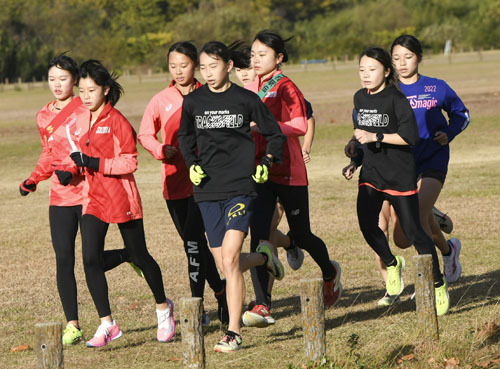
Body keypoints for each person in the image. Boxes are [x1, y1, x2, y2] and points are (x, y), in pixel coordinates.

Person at [178, 40, 286, 352]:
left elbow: (274, 133)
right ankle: (264, 259)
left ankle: (234, 331)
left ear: (228, 66)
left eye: (214, 66)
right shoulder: (193, 102)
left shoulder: (246, 99)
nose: (209, 73)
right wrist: (192, 165)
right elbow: (184, 137)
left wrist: (267, 163)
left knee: (229, 258)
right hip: (207, 191)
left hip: (241, 188)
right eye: (204, 67)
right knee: (228, 266)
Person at [19, 54, 133, 346]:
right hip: (59, 194)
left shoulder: (86, 109)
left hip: (88, 192)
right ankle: (73, 323)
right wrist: (34, 178)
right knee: (63, 259)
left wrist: (74, 168)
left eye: (63, 79)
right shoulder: (43, 116)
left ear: (75, 80)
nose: (57, 85)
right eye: (51, 79)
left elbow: (94, 148)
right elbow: (49, 152)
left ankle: (106, 319)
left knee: (90, 259)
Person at [345, 35, 469, 304]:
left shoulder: (436, 88)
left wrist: (449, 132)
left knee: (416, 225)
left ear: (419, 58)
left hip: (431, 160)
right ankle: (448, 249)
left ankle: (431, 283)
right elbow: (363, 130)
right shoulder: (382, 91)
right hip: (395, 165)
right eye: (397, 57)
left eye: (408, 57)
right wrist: (355, 152)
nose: (402, 63)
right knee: (401, 238)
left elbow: (462, 114)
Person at [70, 60, 175, 347]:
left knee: (141, 255)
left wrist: (92, 162)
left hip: (121, 196)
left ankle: (164, 310)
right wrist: (72, 171)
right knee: (90, 259)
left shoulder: (117, 120)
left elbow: (130, 161)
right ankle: (108, 324)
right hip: (93, 198)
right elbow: (82, 155)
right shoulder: (83, 118)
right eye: (82, 91)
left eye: (91, 90)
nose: (86, 96)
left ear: (105, 90)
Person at [242, 31, 342, 328]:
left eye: (263, 54)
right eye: (253, 54)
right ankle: (262, 305)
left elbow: (299, 125)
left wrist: (263, 126)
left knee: (301, 235)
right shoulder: (250, 87)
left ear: (279, 57)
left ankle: (329, 273)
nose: (256, 59)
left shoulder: (286, 87)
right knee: (258, 236)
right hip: (260, 172)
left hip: (289, 171)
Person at [138, 41, 228, 326]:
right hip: (173, 184)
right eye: (172, 66)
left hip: (205, 184)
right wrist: (161, 150)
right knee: (196, 245)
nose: (178, 71)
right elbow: (144, 134)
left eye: (184, 65)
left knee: (193, 242)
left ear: (196, 66)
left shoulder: (210, 95)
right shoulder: (161, 99)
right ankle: (222, 291)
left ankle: (196, 307)